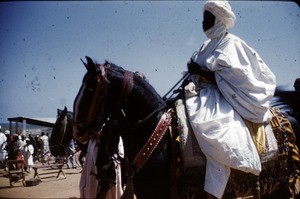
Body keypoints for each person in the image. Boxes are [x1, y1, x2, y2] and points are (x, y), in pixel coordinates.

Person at [185, 0, 276, 198]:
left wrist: (201, 71)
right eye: (203, 19)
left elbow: (237, 77)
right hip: (202, 93)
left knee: (218, 132)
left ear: (218, 19)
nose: (203, 23)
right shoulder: (206, 46)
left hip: (224, 95)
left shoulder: (231, 43)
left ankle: (217, 187)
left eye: (207, 19)